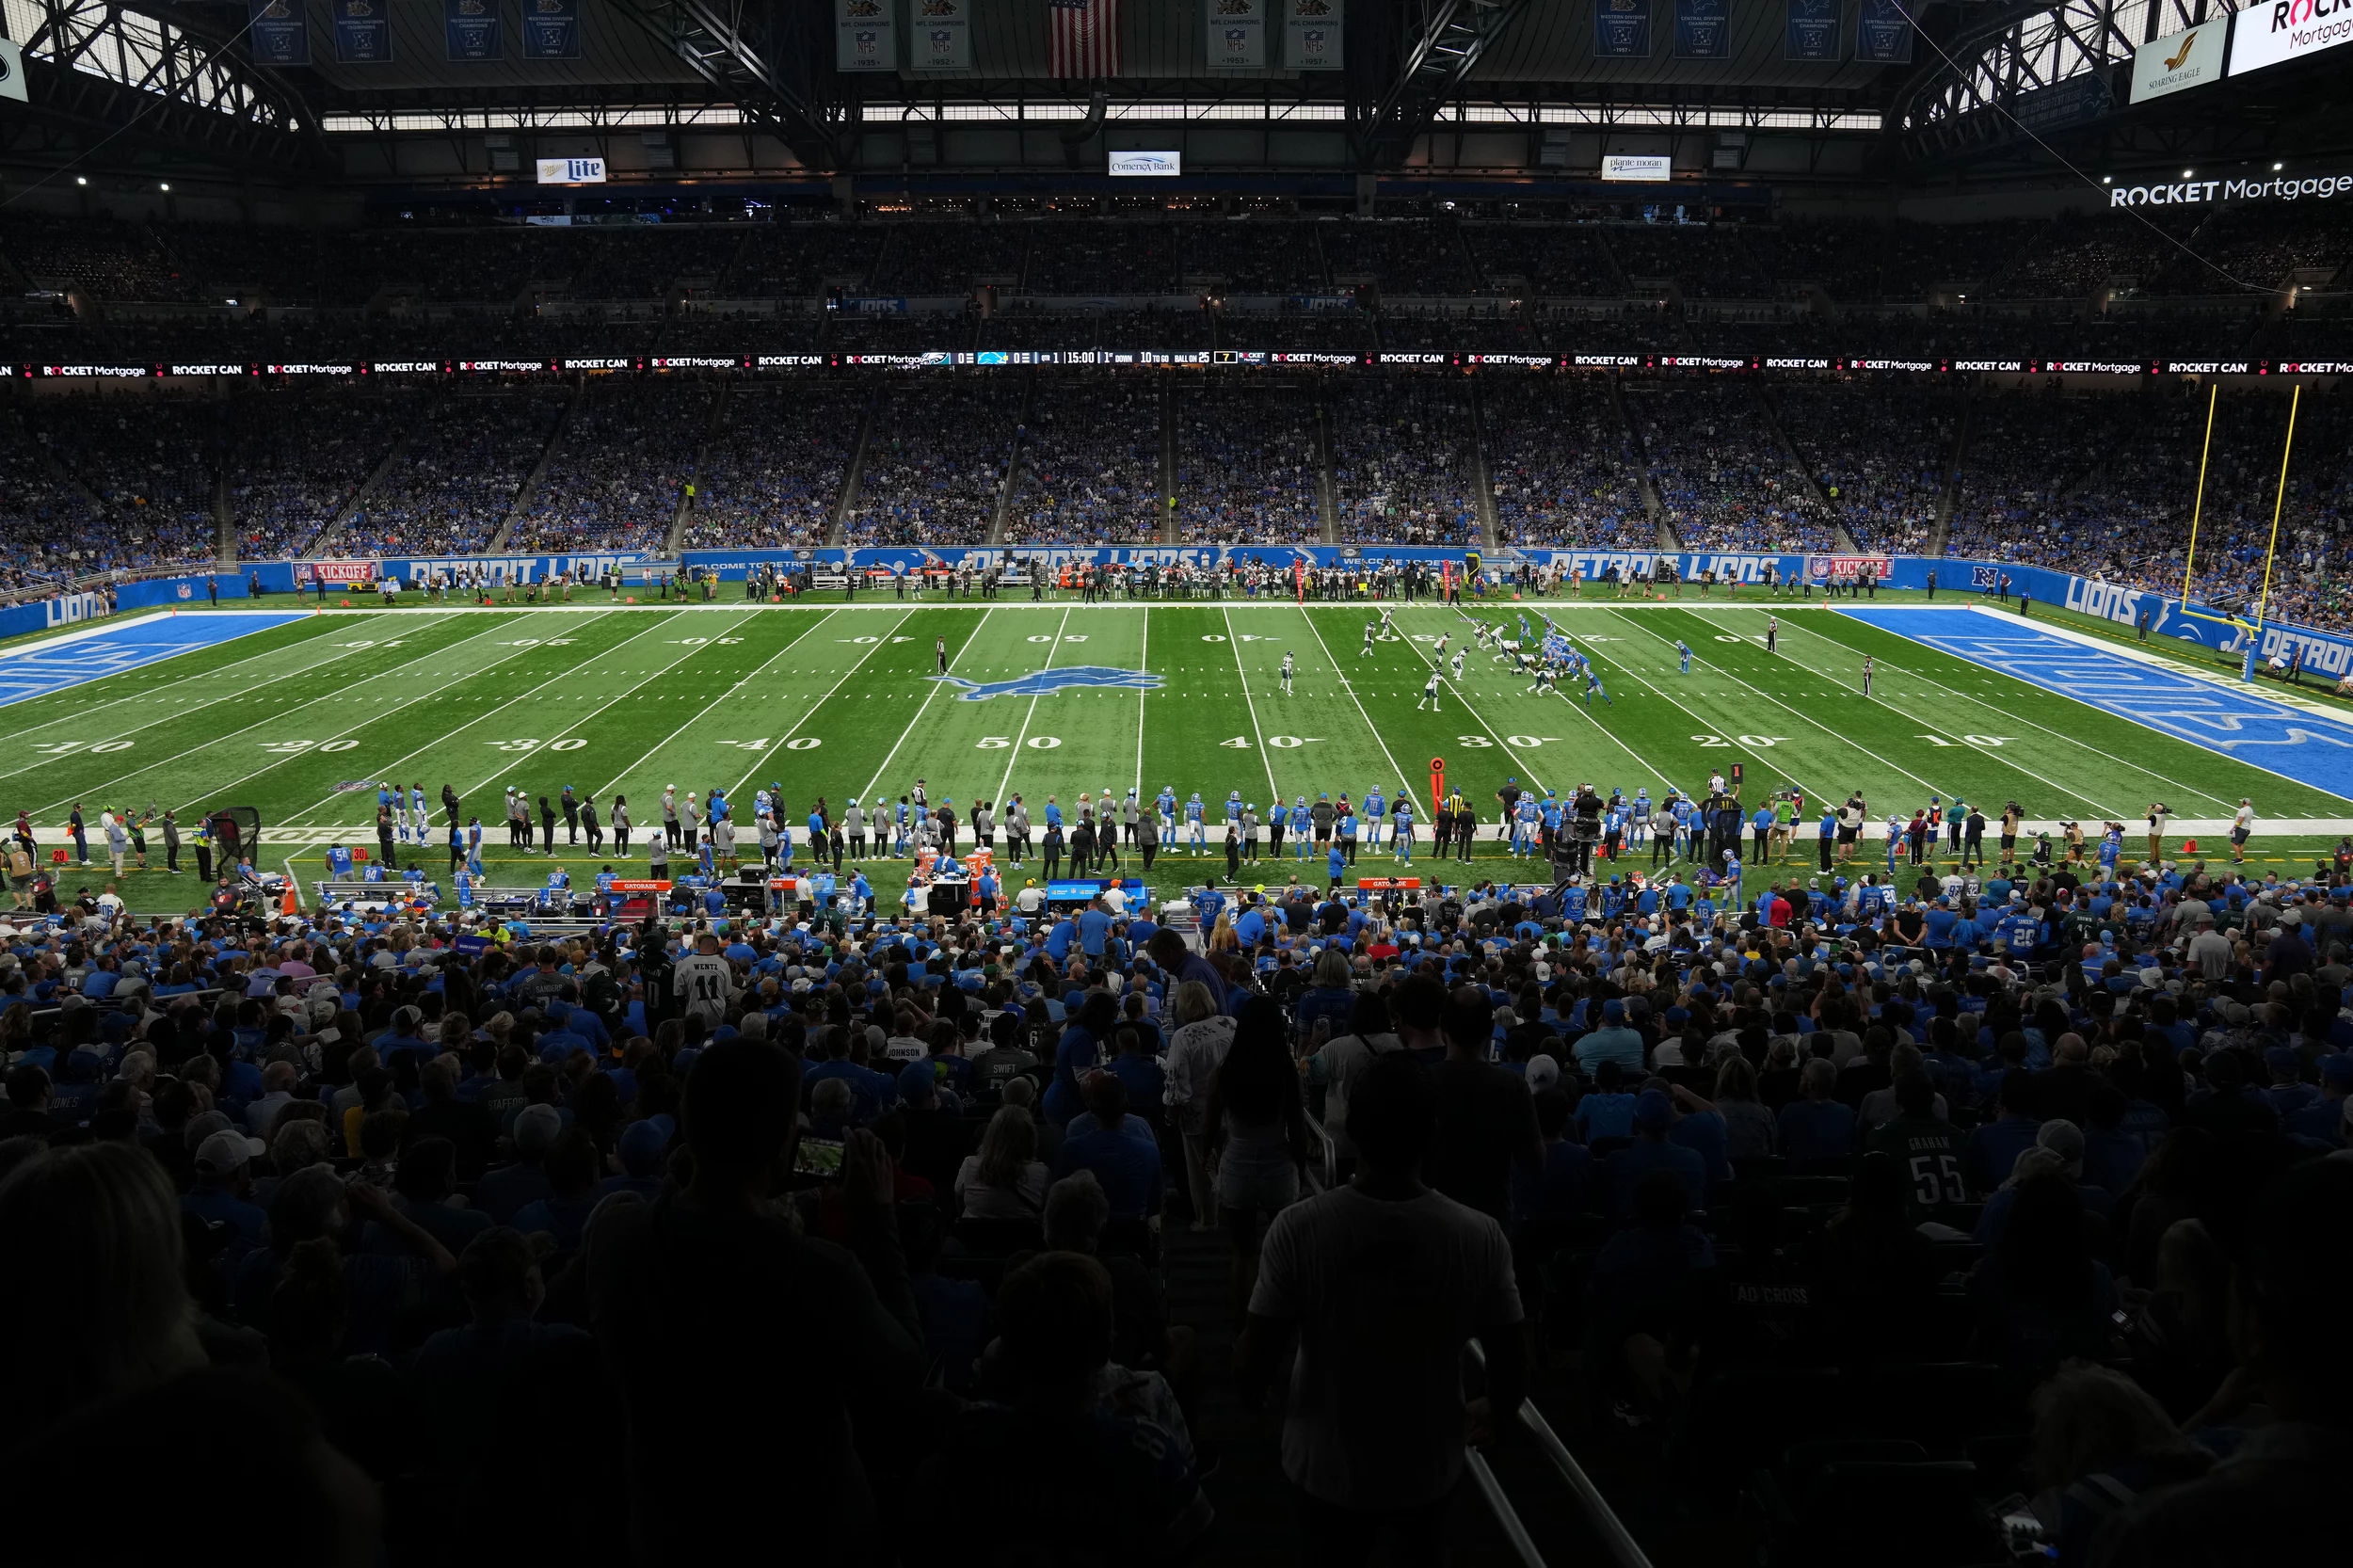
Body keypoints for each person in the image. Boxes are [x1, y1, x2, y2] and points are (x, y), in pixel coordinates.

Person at [587, 1040, 924, 1566]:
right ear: (784, 1140)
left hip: (667, 1528)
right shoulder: (822, 1273)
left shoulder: (615, 1243)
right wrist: (875, 1220)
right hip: (806, 1538)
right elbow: (906, 1380)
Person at [1241, 1049, 1524, 1567]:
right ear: (1430, 1133)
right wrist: (1496, 1407)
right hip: (1429, 1460)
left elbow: (1255, 1361)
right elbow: (1511, 1361)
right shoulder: (1479, 1235)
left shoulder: (1298, 1228)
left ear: (1351, 1126)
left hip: (1322, 1459)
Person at [1206, 997, 1312, 1312]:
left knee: (1241, 1252)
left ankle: (1243, 1323)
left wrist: (1206, 1153)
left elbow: (1211, 1122)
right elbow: (1298, 1126)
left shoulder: (1224, 1072)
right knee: (1280, 1249)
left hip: (1237, 1162)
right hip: (1278, 1163)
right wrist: (1302, 1166)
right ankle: (1276, 1316)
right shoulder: (1285, 1072)